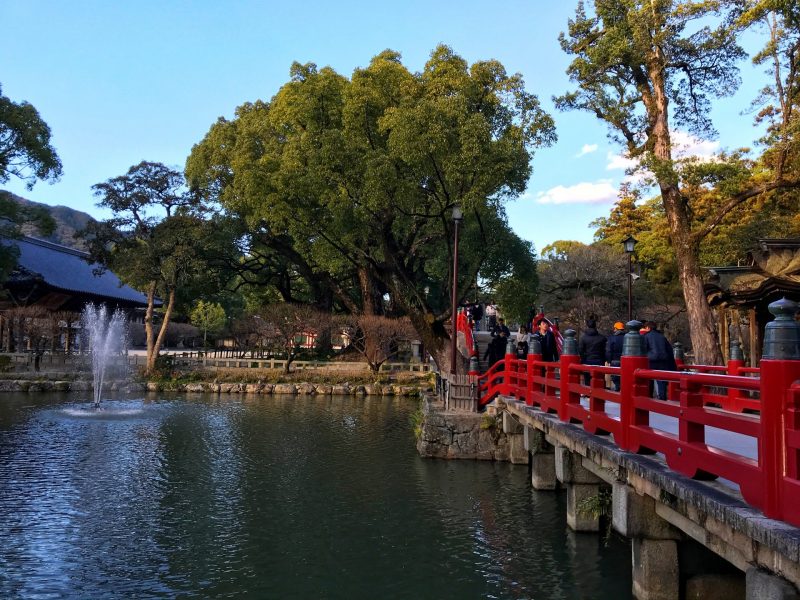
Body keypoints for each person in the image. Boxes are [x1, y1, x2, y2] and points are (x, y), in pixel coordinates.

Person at [641, 321, 677, 400]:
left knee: (649, 380)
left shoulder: (646, 336)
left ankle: (648, 397)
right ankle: (662, 398)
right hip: (663, 360)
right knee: (661, 380)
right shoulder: (662, 336)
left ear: (648, 328)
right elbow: (669, 349)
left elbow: (643, 349)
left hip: (650, 360)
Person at [578, 318, 606, 386]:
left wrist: (583, 358)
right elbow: (605, 350)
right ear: (595, 325)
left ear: (587, 326)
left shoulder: (583, 338)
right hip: (599, 360)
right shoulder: (602, 338)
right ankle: (600, 394)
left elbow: (581, 350)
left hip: (587, 360)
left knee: (587, 379)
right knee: (600, 378)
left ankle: (588, 393)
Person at [606, 321, 626, 391]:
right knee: (624, 376)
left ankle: (618, 389)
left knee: (615, 377)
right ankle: (622, 389)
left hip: (615, 360)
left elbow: (608, 350)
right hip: (625, 360)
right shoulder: (627, 337)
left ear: (616, 328)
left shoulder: (612, 338)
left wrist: (609, 360)